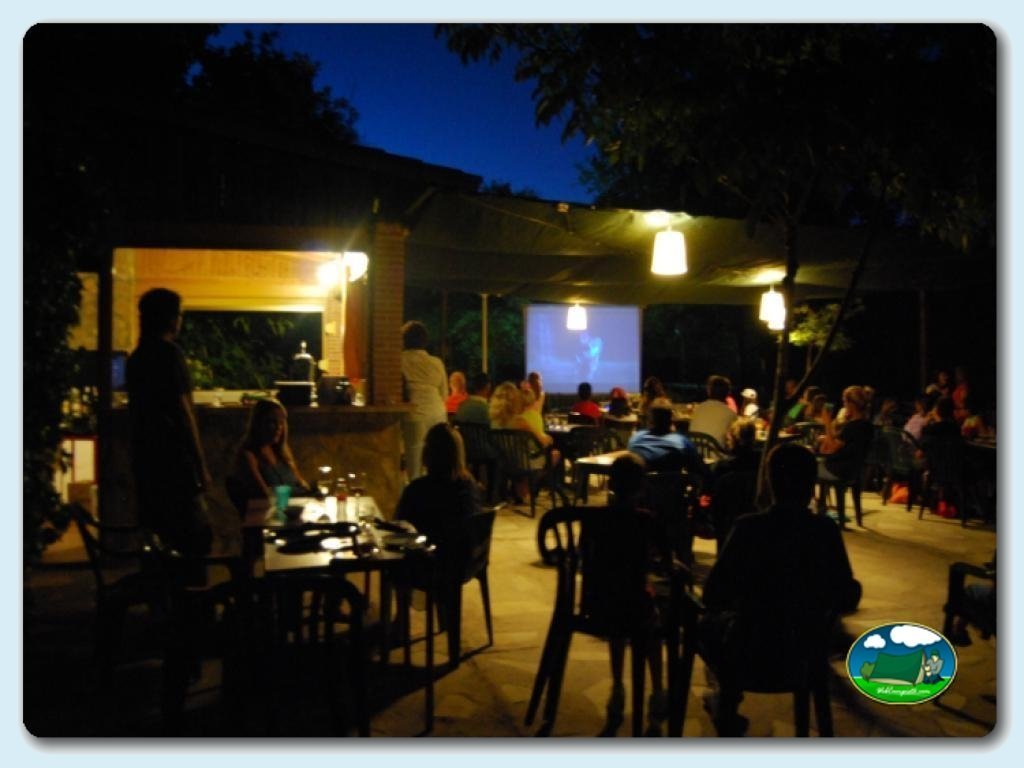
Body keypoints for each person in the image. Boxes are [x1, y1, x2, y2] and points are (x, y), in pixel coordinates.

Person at [700, 443, 861, 736]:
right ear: (812, 486)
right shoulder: (824, 530)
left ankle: (727, 701)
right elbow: (848, 595)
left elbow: (713, 595)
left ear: (769, 483)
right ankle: (726, 701)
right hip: (804, 656)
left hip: (747, 654)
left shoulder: (748, 528)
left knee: (704, 625)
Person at [581, 453, 666, 736]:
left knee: (619, 621)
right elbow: (664, 560)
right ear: (641, 487)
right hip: (634, 604)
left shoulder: (595, 519)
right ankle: (656, 689)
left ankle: (618, 685)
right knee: (652, 624)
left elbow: (586, 559)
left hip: (601, 603)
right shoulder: (645, 520)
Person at [126, 288, 212, 561]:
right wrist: (201, 466)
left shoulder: (136, 358)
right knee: (196, 536)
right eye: (178, 314)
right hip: (175, 461)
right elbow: (183, 412)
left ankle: (165, 599)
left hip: (145, 461)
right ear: (170, 318)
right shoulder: (170, 354)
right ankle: (194, 598)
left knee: (159, 538)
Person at [396, 423, 480, 565]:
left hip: (432, 563)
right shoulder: (469, 486)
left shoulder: (417, 490)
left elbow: (400, 527)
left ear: (428, 453)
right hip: (465, 562)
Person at [230, 397, 311, 502]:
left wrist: (311, 491)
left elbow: (301, 483)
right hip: (269, 513)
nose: (278, 427)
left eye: (281, 422)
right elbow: (263, 496)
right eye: (272, 422)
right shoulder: (249, 455)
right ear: (258, 424)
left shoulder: (281, 450)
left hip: (295, 509)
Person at [818, 385, 875, 526]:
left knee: (807, 466)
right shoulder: (867, 426)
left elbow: (831, 449)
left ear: (851, 404)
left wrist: (827, 423)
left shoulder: (852, 427)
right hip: (855, 470)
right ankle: (822, 509)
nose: (844, 405)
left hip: (840, 470)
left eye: (844, 402)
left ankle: (816, 511)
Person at [400, 321, 448, 482]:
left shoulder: (400, 360)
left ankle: (414, 499)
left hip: (415, 413)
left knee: (414, 462)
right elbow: (444, 393)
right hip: (437, 413)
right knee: (438, 459)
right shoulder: (436, 362)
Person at [627, 397, 701, 474]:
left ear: (649, 420)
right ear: (671, 420)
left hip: (643, 485)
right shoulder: (682, 442)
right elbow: (698, 470)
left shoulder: (635, 439)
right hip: (674, 484)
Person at [689, 375, 737, 447]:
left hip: (695, 454)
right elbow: (733, 438)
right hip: (718, 456)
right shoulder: (730, 413)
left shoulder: (698, 409)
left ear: (709, 391)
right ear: (727, 393)